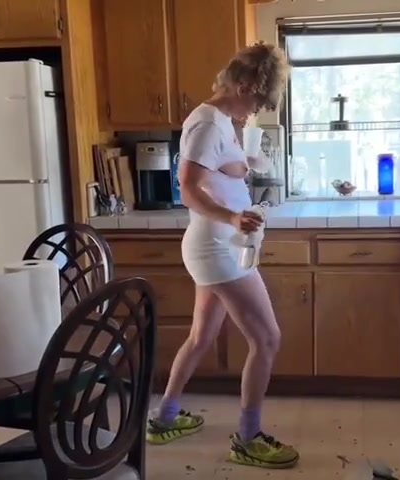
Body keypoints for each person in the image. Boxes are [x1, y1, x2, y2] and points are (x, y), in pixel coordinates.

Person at [144, 42, 298, 470]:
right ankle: (247, 438)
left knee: (201, 337)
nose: (255, 111)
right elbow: (187, 188)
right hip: (217, 247)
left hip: (218, 245)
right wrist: (231, 217)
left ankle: (165, 418)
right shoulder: (208, 123)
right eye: (257, 102)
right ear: (244, 86)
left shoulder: (222, 122)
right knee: (267, 338)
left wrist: (244, 165)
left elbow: (218, 174)